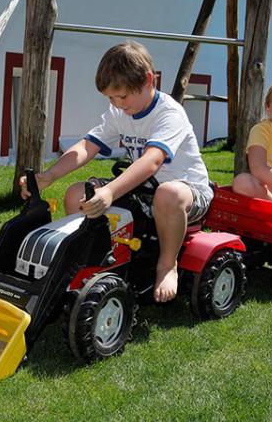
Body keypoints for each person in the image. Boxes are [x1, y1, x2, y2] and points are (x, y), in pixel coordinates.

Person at [20, 41, 213, 303]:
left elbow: (151, 161)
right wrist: (49, 176)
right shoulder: (119, 112)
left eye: (122, 96)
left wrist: (110, 191)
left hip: (187, 193)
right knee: (77, 193)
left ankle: (168, 265)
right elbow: (88, 146)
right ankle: (87, 261)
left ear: (148, 80)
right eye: (111, 98)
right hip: (144, 189)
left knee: (167, 193)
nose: (117, 104)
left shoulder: (169, 113)